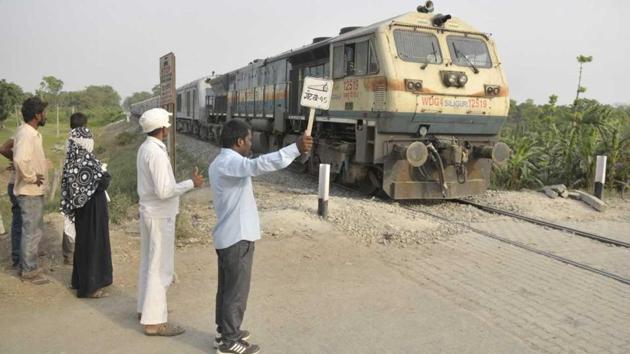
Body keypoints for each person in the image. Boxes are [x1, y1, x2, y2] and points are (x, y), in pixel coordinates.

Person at [209, 119, 313, 354]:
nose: (250, 144)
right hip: (237, 238)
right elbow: (259, 165)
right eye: (248, 140)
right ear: (238, 142)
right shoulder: (230, 162)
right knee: (236, 292)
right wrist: (295, 148)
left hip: (231, 236)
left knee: (227, 290)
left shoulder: (221, 162)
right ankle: (229, 341)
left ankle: (224, 332)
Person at [136, 108, 204, 336]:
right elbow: (164, 190)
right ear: (163, 128)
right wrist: (191, 184)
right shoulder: (155, 153)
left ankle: (145, 310)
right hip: (159, 214)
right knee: (160, 268)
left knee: (149, 263)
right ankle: (154, 322)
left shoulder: (146, 148)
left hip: (150, 212)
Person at [60, 113, 112, 298]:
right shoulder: (86, 160)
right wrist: (103, 172)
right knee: (93, 244)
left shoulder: (73, 158)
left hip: (82, 209)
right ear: (85, 141)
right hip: (93, 209)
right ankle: (90, 287)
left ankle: (79, 281)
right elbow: (103, 182)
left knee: (83, 243)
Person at [13, 96, 49, 285]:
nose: (45, 115)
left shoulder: (28, 132)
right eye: (44, 112)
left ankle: (25, 264)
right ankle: (29, 270)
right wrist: (32, 177)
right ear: (37, 115)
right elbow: (19, 159)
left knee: (28, 229)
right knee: (32, 231)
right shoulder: (27, 134)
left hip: (30, 190)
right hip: (29, 191)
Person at [60, 112, 90, 266]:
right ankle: (80, 252)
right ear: (84, 124)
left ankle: (68, 255)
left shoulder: (69, 137)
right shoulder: (86, 136)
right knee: (82, 215)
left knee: (68, 216)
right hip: (83, 181)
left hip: (69, 181)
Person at [0, 138, 22, 268]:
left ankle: (19, 256)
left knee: (19, 221)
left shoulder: (23, 134)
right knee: (21, 222)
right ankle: (19, 258)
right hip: (19, 185)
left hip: (15, 184)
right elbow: (3, 149)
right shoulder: (24, 134)